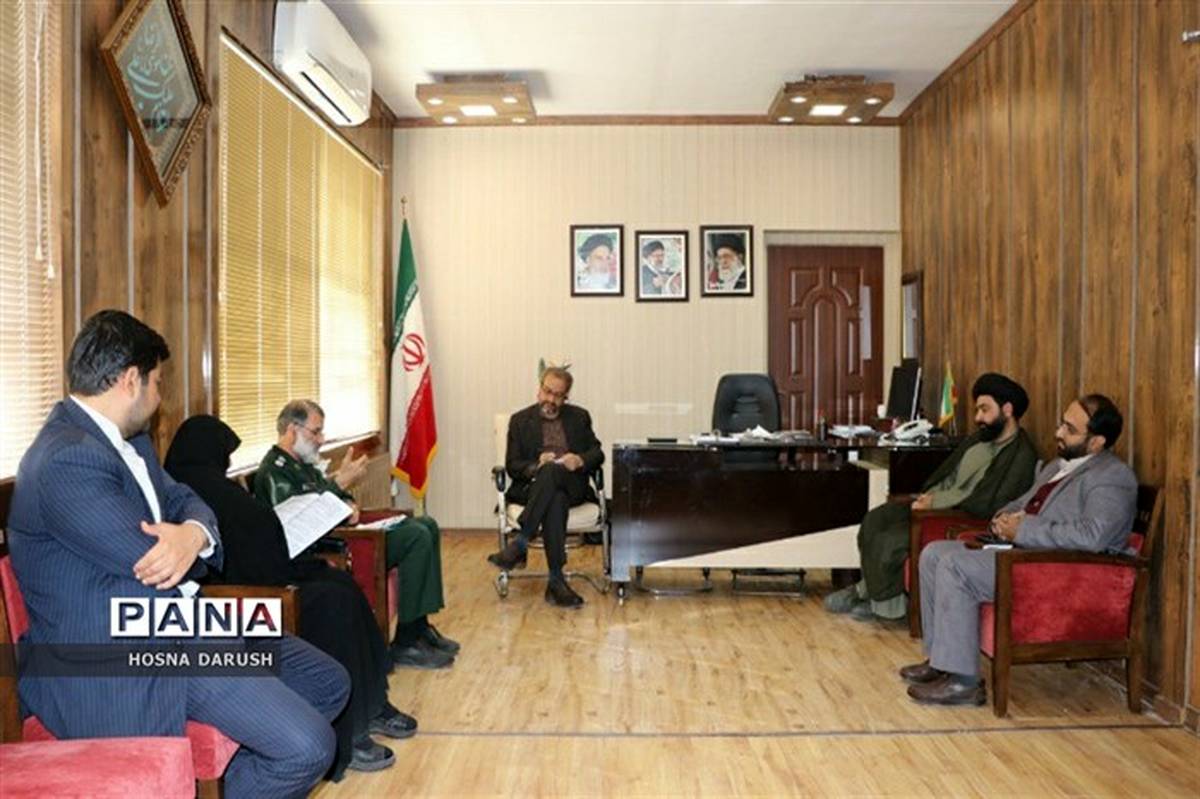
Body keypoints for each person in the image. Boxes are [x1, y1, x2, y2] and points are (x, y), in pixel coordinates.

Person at [7, 310, 349, 799]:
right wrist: (185, 542)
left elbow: (186, 500)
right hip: (120, 653)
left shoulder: (131, 442)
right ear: (131, 380)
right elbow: (153, 559)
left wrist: (193, 534)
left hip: (181, 621)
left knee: (328, 681)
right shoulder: (66, 458)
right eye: (158, 382)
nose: (159, 396)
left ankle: (232, 778)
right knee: (309, 747)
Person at [166, 415, 418, 778]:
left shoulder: (210, 484)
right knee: (334, 604)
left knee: (343, 586)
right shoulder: (179, 493)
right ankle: (350, 733)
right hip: (247, 595)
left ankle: (372, 702)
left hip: (269, 574)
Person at [901, 394, 1137, 706]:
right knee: (933, 554)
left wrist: (1023, 530)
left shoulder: (1112, 477)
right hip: (1021, 554)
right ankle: (941, 661)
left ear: (1097, 442)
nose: (1058, 433)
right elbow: (1022, 502)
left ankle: (963, 683)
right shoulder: (1057, 467)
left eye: (1070, 429)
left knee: (955, 566)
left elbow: (1093, 535)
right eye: (1062, 424)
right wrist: (1003, 518)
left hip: (1052, 570)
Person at [254, 399, 459, 669]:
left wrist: (348, 501)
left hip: (344, 532)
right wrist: (339, 483)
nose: (321, 439)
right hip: (330, 547)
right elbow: (299, 522)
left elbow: (327, 496)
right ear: (292, 430)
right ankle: (406, 640)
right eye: (316, 432)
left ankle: (420, 626)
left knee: (427, 525)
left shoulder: (302, 464)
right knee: (416, 536)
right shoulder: (274, 472)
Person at [824, 373, 1039, 622]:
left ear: (1008, 409)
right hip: (934, 504)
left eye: (984, 409)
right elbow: (948, 476)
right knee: (876, 520)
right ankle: (869, 592)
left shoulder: (1021, 455)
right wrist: (926, 498)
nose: (978, 418)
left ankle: (882, 605)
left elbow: (986, 502)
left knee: (891, 540)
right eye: (977, 410)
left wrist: (934, 504)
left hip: (961, 516)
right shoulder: (978, 440)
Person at [487, 366, 604, 608]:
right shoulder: (520, 421)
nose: (550, 399)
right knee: (555, 496)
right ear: (539, 389)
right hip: (534, 488)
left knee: (554, 476)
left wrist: (579, 460)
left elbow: (597, 453)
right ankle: (556, 582)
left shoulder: (579, 417)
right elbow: (513, 466)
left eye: (557, 395)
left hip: (573, 485)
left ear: (565, 397)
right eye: (547, 391)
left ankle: (521, 542)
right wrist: (535, 465)